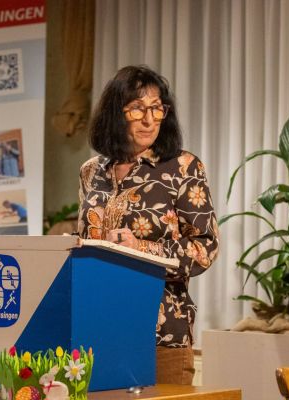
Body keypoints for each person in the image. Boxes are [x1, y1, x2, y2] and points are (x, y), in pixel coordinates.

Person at [77, 65, 219, 385]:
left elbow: (205, 248)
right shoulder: (90, 172)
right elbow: (85, 237)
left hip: (160, 333)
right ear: (115, 113)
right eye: (137, 108)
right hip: (96, 329)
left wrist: (140, 248)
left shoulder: (183, 167)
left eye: (157, 108)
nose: (149, 119)